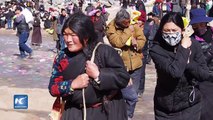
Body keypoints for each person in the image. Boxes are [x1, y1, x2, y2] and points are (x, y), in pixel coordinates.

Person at [48, 12, 130, 120]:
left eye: (73, 35)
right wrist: (72, 84)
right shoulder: (62, 56)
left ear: (86, 35)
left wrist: (99, 75)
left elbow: (123, 78)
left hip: (104, 112)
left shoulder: (103, 51)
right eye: (65, 34)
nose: (68, 40)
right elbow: (53, 88)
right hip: (73, 113)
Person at [150, 12, 211, 120]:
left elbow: (204, 74)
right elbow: (175, 72)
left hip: (191, 105)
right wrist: (183, 48)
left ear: (182, 31)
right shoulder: (157, 50)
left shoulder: (194, 45)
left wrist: (189, 64)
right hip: (166, 109)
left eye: (174, 30)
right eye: (167, 31)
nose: (170, 34)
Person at [106, 9, 146, 119]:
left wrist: (136, 43)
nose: (127, 24)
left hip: (136, 64)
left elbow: (142, 39)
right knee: (124, 95)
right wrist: (129, 30)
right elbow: (117, 42)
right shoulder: (111, 28)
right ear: (119, 22)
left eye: (128, 22)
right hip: (121, 66)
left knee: (134, 95)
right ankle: (122, 115)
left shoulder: (133, 25)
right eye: (125, 23)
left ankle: (128, 115)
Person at [190, 8, 213, 120]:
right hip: (203, 82)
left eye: (202, 24)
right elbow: (193, 62)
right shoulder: (190, 41)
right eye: (195, 25)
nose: (199, 28)